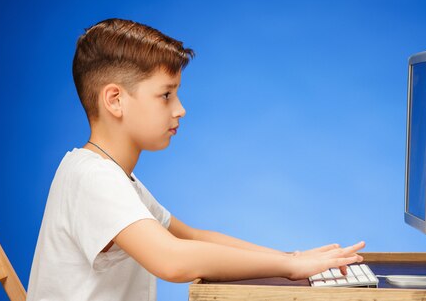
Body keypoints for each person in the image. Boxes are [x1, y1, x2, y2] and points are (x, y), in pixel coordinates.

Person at [26, 18, 365, 301]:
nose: (180, 109)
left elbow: (192, 237)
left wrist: (291, 257)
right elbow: (173, 260)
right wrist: (290, 269)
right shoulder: (92, 179)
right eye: (166, 95)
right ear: (115, 100)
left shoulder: (115, 179)